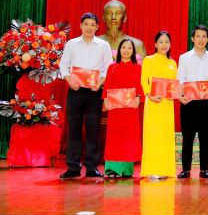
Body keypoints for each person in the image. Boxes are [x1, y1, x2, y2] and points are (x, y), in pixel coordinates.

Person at [59, 12, 113, 179]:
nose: (89, 28)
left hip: (94, 92)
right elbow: (64, 64)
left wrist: (101, 82)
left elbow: (108, 67)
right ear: (81, 26)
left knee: (93, 129)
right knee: (74, 128)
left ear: (97, 27)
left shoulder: (103, 45)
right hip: (75, 90)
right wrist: (69, 80)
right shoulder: (71, 44)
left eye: (92, 25)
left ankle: (91, 167)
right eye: (86, 24)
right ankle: (73, 167)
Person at [176, 25, 208, 179]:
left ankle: (204, 169)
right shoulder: (184, 57)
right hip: (189, 102)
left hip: (206, 102)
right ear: (192, 39)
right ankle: (185, 169)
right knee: (187, 137)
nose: (201, 39)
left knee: (205, 137)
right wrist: (180, 96)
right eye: (198, 36)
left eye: (204, 36)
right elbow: (180, 78)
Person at [102, 39, 143, 178]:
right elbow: (107, 85)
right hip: (115, 108)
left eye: (129, 48)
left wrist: (138, 97)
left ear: (133, 51)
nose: (126, 50)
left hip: (130, 108)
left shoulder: (138, 67)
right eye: (123, 47)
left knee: (129, 137)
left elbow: (140, 85)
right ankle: (112, 169)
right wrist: (105, 100)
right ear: (119, 50)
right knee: (114, 137)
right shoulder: (112, 67)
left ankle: (126, 169)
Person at [140, 30, 178, 179]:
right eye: (161, 42)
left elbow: (174, 84)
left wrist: (174, 94)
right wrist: (149, 95)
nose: (164, 45)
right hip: (153, 103)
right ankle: (152, 170)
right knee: (153, 136)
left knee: (165, 136)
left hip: (167, 105)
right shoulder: (148, 60)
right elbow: (144, 80)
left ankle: (165, 170)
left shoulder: (172, 63)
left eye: (167, 42)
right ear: (155, 44)